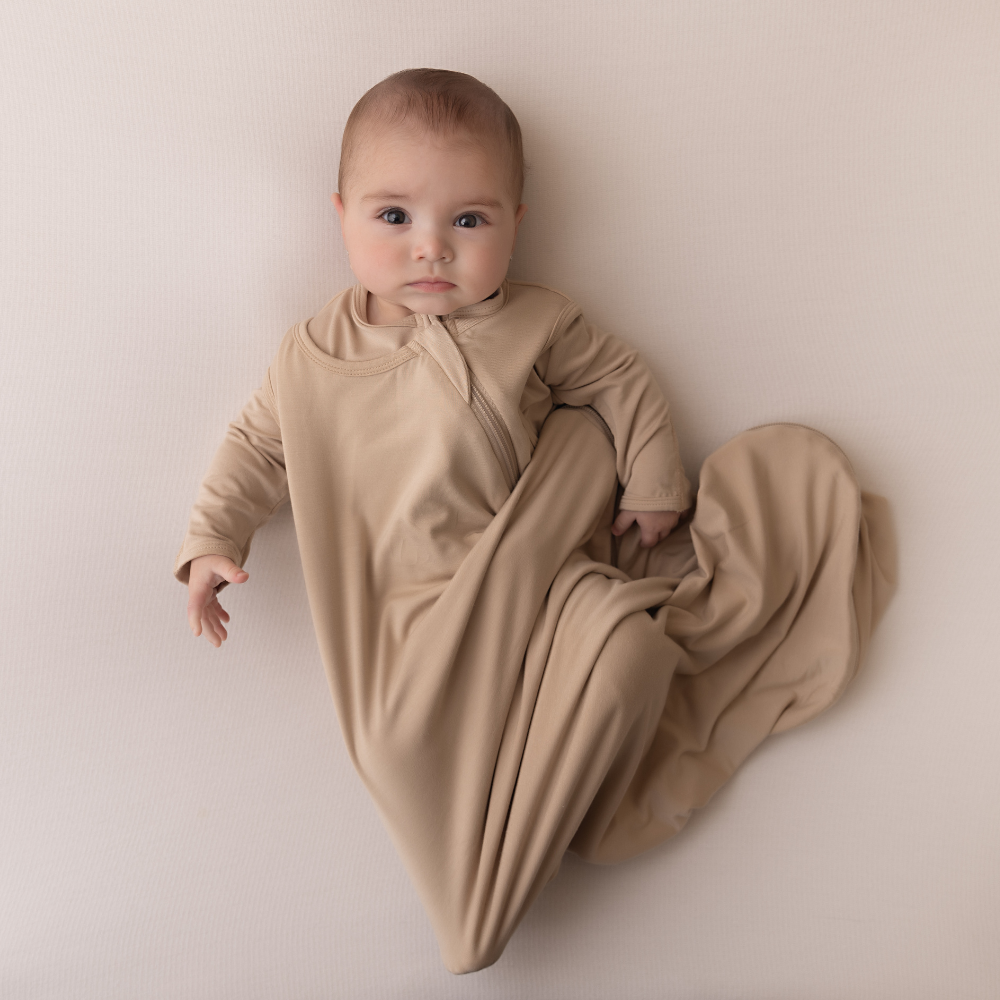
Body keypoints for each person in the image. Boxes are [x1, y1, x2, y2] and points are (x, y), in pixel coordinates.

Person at [174, 68, 895, 974]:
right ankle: (476, 905)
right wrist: (213, 541)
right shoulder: (314, 356)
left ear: (516, 220)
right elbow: (256, 447)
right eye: (394, 217)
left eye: (468, 221)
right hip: (400, 630)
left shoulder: (536, 324)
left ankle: (538, 825)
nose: (430, 249)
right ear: (341, 213)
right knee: (403, 748)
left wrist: (650, 483)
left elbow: (621, 383)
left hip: (528, 597)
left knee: (628, 655)